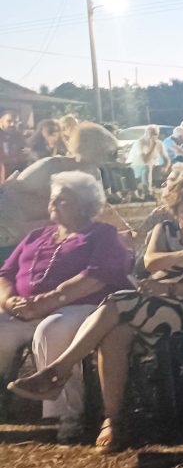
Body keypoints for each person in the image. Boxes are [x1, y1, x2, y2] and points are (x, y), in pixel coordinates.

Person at [7, 177, 183, 451]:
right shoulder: (164, 230)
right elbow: (150, 261)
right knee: (114, 334)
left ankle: (58, 370)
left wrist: (167, 288)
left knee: (117, 301)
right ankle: (113, 420)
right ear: (176, 213)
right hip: (149, 302)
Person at [0, 171, 132, 443]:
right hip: (23, 310)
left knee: (51, 330)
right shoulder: (36, 235)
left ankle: (68, 415)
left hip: (80, 306)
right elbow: (4, 275)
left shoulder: (101, 234)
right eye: (52, 199)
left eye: (62, 200)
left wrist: (51, 300)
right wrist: (9, 300)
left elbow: (97, 276)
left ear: (84, 205)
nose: (52, 204)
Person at [125, 124, 168, 195]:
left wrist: (165, 167)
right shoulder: (140, 142)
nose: (153, 136)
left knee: (172, 167)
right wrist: (153, 146)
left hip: (152, 166)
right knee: (147, 166)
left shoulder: (159, 143)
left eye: (155, 134)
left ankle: (167, 190)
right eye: (151, 133)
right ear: (146, 133)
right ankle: (148, 192)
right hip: (135, 167)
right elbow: (144, 160)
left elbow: (166, 158)